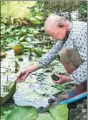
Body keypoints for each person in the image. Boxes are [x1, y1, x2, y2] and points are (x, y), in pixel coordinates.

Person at [17, 14, 87, 99]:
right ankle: (82, 85)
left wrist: (69, 78)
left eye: (52, 34)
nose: (52, 38)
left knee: (65, 53)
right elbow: (52, 53)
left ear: (61, 26)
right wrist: (29, 70)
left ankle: (81, 88)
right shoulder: (69, 30)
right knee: (63, 53)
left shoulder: (78, 33)